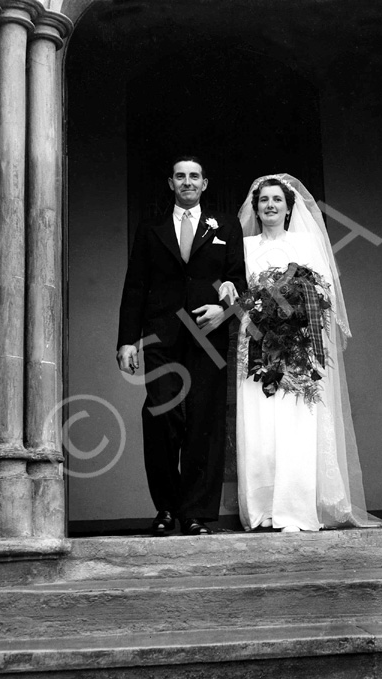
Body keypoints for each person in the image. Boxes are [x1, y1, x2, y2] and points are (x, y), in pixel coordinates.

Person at [236, 174, 377, 532]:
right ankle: (263, 508)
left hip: (298, 344)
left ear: (288, 207)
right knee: (261, 425)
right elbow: (239, 294)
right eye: (263, 200)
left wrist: (295, 316)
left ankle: (294, 510)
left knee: (295, 424)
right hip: (257, 343)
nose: (270, 205)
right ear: (255, 207)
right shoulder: (245, 246)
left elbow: (321, 292)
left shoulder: (304, 242)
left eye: (277, 200)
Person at [117, 157, 246, 536]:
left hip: (209, 336)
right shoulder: (150, 228)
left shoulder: (226, 226)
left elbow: (242, 283)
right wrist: (127, 339)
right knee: (160, 415)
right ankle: (166, 508)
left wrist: (225, 312)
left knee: (204, 422)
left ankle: (195, 514)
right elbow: (135, 287)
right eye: (180, 176)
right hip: (160, 336)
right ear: (170, 183)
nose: (187, 182)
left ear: (205, 183)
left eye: (194, 176)